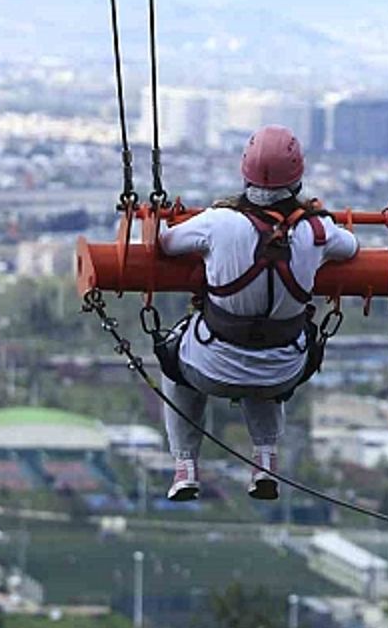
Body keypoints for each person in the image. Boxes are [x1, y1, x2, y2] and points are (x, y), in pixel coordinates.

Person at [154, 125, 358, 501]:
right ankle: (265, 460)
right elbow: (351, 247)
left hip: (209, 369)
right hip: (284, 371)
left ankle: (185, 465)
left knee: (173, 360)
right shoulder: (316, 230)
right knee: (267, 358)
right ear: (298, 175)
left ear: (245, 169)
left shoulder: (219, 222)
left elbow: (165, 242)